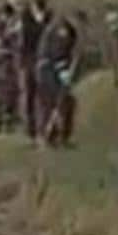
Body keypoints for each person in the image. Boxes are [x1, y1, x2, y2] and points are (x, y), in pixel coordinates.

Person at [35, 8, 81, 147]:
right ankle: (51, 135)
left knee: (61, 102)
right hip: (49, 70)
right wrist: (63, 72)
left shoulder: (69, 31)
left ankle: (56, 135)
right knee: (56, 102)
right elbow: (57, 52)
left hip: (52, 69)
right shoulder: (62, 31)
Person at [0, 2, 22, 133]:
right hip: (3, 57)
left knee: (7, 89)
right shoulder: (0, 27)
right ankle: (1, 119)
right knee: (4, 88)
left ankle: (4, 119)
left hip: (4, 57)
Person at [21, 0, 51, 137]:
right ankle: (31, 128)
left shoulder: (49, 20)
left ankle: (44, 127)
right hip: (30, 58)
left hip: (44, 59)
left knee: (44, 95)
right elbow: (26, 39)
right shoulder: (26, 20)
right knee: (30, 94)